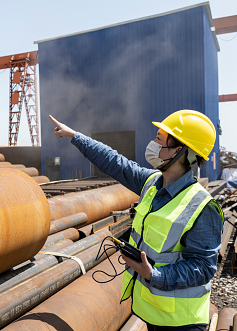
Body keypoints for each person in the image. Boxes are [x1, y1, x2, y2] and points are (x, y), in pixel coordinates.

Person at [50, 110, 224, 331]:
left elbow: (203, 267)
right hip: (153, 312)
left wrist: (154, 274)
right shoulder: (151, 182)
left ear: (178, 151)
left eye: (159, 139)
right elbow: (114, 162)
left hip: (182, 323)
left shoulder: (203, 207)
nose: (152, 143)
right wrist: (74, 136)